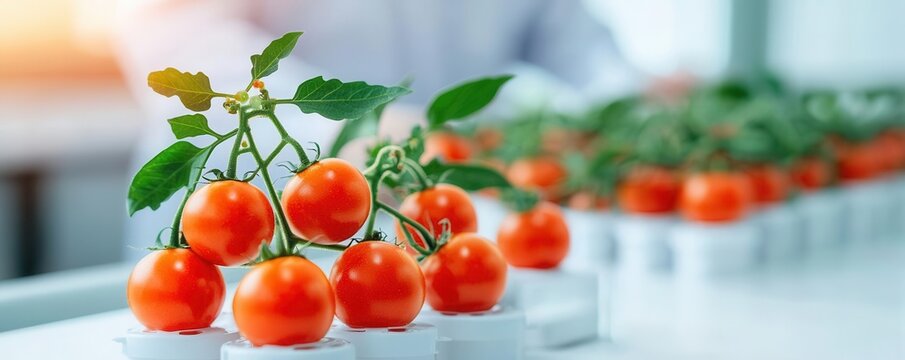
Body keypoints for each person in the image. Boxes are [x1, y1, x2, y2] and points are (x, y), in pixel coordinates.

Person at [114, 0, 643, 259]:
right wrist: (340, 126)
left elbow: (564, 29)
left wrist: (631, 102)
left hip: (433, 213)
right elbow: (176, 30)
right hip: (249, 201)